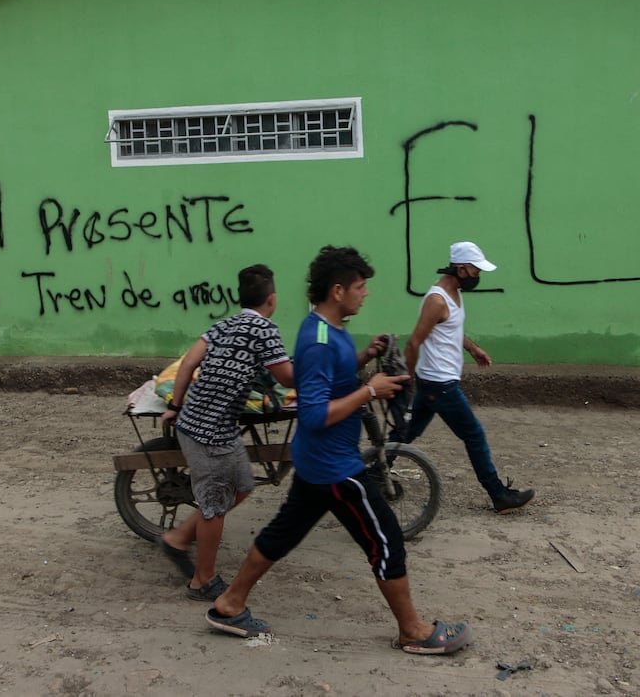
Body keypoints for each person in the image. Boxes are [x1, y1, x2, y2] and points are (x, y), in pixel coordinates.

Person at [205, 245, 472, 655]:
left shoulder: (329, 330)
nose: (365, 294)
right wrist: (370, 390)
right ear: (337, 290)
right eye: (360, 287)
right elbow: (312, 414)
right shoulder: (320, 341)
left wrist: (367, 357)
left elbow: (329, 379)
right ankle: (413, 632)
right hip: (335, 467)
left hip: (318, 462)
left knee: (281, 534)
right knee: (386, 542)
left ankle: (229, 604)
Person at [157, 264, 294, 600]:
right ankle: (201, 581)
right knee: (215, 505)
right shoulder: (265, 329)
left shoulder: (223, 325)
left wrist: (175, 406)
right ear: (272, 300)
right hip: (207, 432)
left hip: (213, 426)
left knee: (244, 487)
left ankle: (177, 539)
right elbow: (287, 378)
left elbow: (188, 364)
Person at [401, 241, 535, 514]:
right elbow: (414, 342)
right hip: (439, 384)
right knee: (474, 435)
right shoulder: (437, 300)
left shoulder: (453, 295)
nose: (478, 277)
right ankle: (498, 495)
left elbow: (450, 330)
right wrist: (407, 380)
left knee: (407, 433)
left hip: (435, 383)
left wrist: (472, 348)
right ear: (461, 269)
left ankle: (373, 472)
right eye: (475, 271)